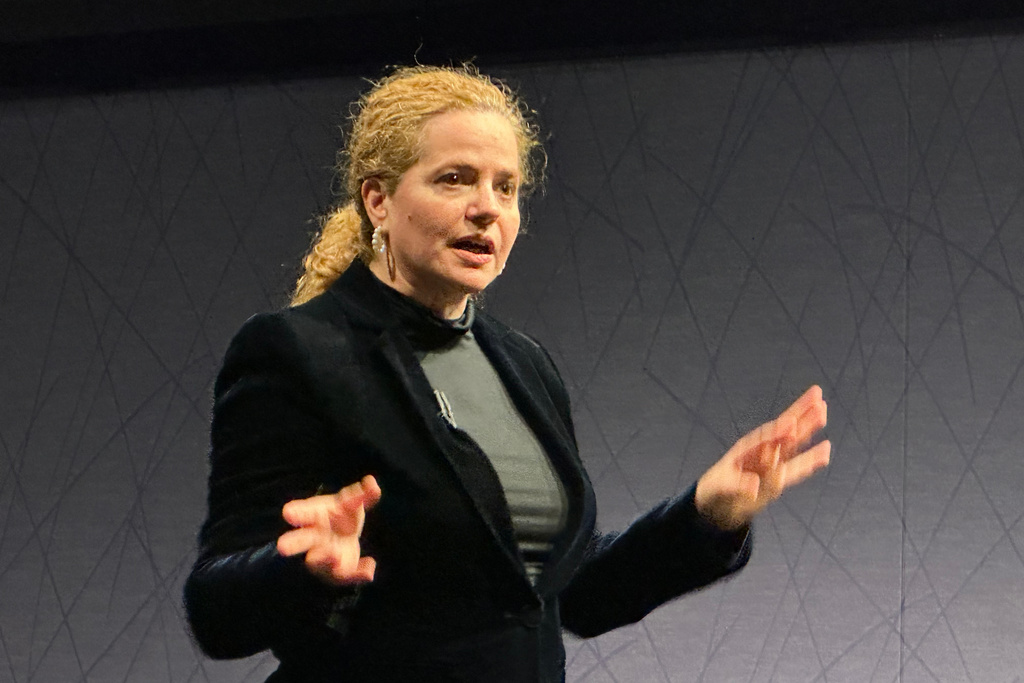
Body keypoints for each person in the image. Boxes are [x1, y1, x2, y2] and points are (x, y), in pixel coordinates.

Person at [183, 65, 831, 683]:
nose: (487, 208)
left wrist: (705, 517)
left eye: (506, 187)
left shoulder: (524, 365)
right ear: (378, 199)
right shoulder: (297, 351)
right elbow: (215, 608)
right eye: (455, 179)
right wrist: (301, 568)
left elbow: (573, 595)